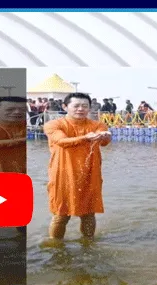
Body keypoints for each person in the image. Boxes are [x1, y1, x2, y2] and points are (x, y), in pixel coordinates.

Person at [43, 92, 112, 240]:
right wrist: (85, 138)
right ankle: (55, 246)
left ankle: (88, 244)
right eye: (76, 106)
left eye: (85, 106)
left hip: (89, 174)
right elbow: (61, 141)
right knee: (61, 215)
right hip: (63, 175)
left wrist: (106, 136)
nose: (80, 109)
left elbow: (105, 142)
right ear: (65, 107)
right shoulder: (53, 125)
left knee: (88, 213)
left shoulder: (97, 125)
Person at [0, 96, 27, 173]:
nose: (17, 112)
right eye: (10, 109)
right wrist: (21, 140)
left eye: (22, 109)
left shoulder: (23, 122)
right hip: (1, 166)